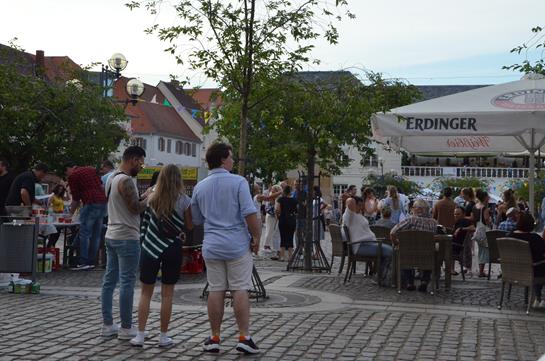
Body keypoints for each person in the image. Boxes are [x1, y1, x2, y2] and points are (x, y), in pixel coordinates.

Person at [191, 143, 261, 354]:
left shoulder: (200, 186)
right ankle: (243, 337)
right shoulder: (238, 182)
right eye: (231, 157)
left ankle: (214, 337)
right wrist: (256, 236)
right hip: (236, 244)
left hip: (212, 245)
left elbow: (195, 219)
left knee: (216, 289)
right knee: (240, 288)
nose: (233, 160)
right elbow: (250, 213)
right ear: (222, 159)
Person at [130, 164, 193, 347]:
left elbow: (145, 224)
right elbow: (189, 226)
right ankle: (163, 336)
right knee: (167, 295)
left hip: (150, 248)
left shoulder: (151, 198)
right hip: (172, 248)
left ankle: (140, 335)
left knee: (145, 293)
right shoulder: (184, 200)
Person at [101, 146, 149, 340]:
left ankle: (107, 325)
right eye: (141, 162)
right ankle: (126, 328)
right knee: (127, 282)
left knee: (109, 281)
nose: (142, 167)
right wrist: (151, 199)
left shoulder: (111, 178)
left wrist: (144, 196)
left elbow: (124, 204)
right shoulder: (127, 180)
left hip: (111, 234)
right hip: (127, 236)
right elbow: (135, 208)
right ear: (134, 160)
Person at [65, 161, 108, 270]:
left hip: (90, 202)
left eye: (66, 173)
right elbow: (101, 185)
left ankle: (83, 261)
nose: (67, 175)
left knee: (85, 233)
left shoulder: (73, 176)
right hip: (102, 202)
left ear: (69, 169)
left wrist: (70, 214)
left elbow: (76, 198)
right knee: (96, 234)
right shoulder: (90, 169)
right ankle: (91, 261)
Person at [390, 199, 438, 292]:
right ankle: (424, 281)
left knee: (404, 250)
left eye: (413, 207)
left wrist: (397, 243)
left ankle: (409, 282)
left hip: (409, 254)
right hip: (426, 255)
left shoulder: (410, 220)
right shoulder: (434, 223)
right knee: (432, 251)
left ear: (419, 209)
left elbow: (392, 232)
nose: (412, 209)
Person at [343, 196, 393, 280]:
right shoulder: (350, 215)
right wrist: (350, 197)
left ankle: (381, 275)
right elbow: (350, 201)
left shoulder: (357, 215)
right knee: (390, 252)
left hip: (368, 244)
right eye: (359, 205)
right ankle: (381, 278)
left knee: (390, 251)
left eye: (361, 205)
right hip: (361, 245)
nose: (361, 207)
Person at [511, 213, 545, 308]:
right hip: (532, 271)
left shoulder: (509, 235)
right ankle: (537, 298)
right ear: (531, 225)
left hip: (512, 271)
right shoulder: (534, 239)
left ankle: (537, 299)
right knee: (539, 267)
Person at [471, 189, 492, 278]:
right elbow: (486, 220)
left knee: (480, 250)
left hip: (477, 230)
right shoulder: (484, 208)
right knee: (484, 251)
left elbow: (472, 218)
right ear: (485, 198)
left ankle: (481, 270)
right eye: (488, 197)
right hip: (484, 231)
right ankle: (481, 271)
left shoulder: (475, 206)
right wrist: (490, 223)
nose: (489, 198)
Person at [275, 185, 297, 262]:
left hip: (283, 219)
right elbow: (296, 211)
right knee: (290, 237)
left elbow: (277, 209)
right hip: (291, 220)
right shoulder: (294, 200)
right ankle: (290, 257)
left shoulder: (280, 199)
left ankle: (282, 256)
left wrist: (279, 216)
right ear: (291, 192)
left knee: (283, 237)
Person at [452, 206, 472, 275]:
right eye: (455, 214)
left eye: (458, 214)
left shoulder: (465, 221)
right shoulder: (456, 222)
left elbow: (473, 228)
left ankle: (450, 269)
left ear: (463, 214)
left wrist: (461, 229)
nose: (456, 216)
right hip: (454, 244)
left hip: (458, 247)